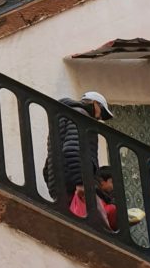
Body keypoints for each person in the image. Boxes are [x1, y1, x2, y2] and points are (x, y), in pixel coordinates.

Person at [43, 91, 114, 223]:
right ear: (95, 104)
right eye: (101, 112)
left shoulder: (62, 117)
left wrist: (53, 185)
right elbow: (72, 150)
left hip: (61, 187)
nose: (99, 118)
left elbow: (48, 166)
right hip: (75, 186)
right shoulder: (82, 117)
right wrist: (81, 182)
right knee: (100, 224)